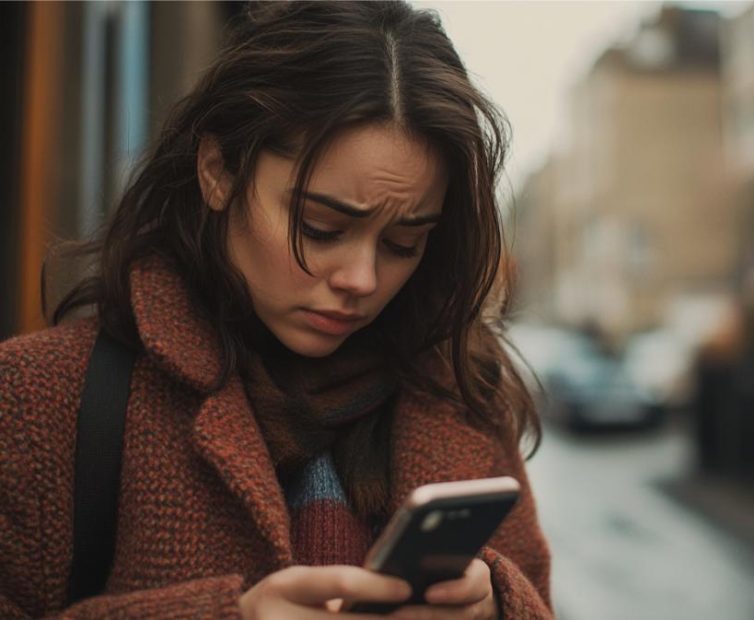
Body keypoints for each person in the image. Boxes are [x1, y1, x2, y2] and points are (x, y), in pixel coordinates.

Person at [0, 2, 552, 618]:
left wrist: (496, 608)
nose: (361, 279)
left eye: (404, 243)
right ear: (217, 171)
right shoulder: (40, 396)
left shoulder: (461, 395)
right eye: (320, 227)